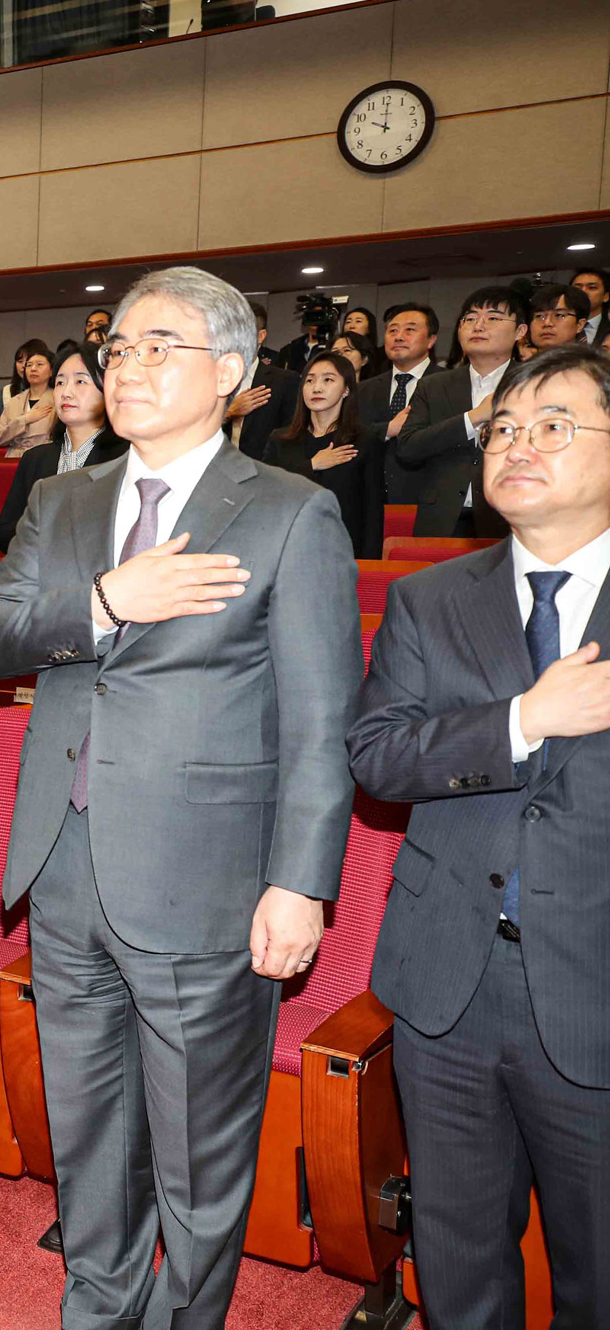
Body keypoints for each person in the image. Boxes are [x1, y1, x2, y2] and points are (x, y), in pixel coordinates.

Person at [0, 266, 361, 1330]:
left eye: (157, 347)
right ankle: (94, 1310)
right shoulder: (60, 497)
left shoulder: (288, 511)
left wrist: (299, 882)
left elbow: (320, 721)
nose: (124, 366)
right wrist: (100, 601)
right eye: (118, 348)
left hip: (205, 883)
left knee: (196, 1154)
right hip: (61, 867)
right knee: (87, 1132)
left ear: (229, 374)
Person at [347, 341, 610, 1330]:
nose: (517, 444)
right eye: (502, 426)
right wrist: (520, 720)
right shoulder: (428, 598)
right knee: (457, 1261)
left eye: (553, 424)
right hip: (444, 983)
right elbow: (375, 757)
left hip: (592, 983)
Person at [396, 285, 527, 536]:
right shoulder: (434, 384)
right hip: (441, 520)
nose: (478, 326)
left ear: (520, 331)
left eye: (492, 318)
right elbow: (408, 447)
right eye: (470, 318)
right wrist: (472, 418)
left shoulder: (534, 384)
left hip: (511, 520)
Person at [0, 345, 127, 554]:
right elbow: (4, 531)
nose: (66, 392)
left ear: (107, 389)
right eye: (60, 383)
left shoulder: (124, 457)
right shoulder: (35, 458)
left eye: (80, 381)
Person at [265, 350, 386, 557]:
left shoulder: (364, 439)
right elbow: (266, 494)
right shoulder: (281, 439)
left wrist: (369, 565)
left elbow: (372, 513)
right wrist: (312, 465)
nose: (317, 388)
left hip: (341, 551)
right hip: (287, 550)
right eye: (309, 381)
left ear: (346, 389)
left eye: (328, 380)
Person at [359, 303, 440, 503]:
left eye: (410, 330)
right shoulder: (363, 389)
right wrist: (387, 429)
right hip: (372, 498)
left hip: (431, 498)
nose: (399, 337)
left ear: (431, 340)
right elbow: (351, 437)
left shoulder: (450, 384)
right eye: (392, 330)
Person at [228, 303, 302, 462]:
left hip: (263, 473)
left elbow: (289, 438)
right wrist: (228, 413)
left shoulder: (285, 381)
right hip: (218, 472)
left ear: (260, 336)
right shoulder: (212, 378)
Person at [0, 339, 58, 455]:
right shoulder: (14, 401)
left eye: (40, 364)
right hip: (14, 459)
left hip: (45, 457)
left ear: (51, 371)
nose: (33, 369)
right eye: (29, 365)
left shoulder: (57, 400)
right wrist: (24, 420)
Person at [525, 282, 589, 358]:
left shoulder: (592, 368)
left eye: (559, 315)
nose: (547, 323)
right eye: (540, 316)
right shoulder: (519, 369)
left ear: (580, 325)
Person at [570, 266, 608, 346]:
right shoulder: (556, 324)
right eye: (577, 288)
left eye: (592, 288)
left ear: (606, 296)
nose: (583, 292)